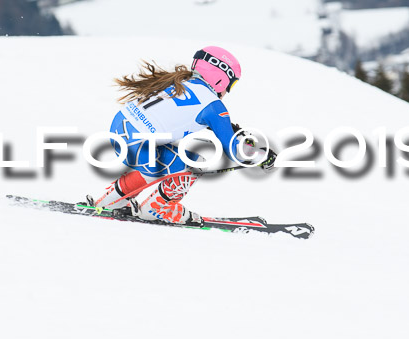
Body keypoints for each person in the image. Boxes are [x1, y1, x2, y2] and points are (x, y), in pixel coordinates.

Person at [87, 46, 276, 226]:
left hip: (119, 129)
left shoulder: (180, 82)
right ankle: (157, 208)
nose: (227, 92)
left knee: (166, 162)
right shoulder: (213, 106)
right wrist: (262, 157)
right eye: (231, 84)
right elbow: (233, 149)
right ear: (221, 78)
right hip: (139, 144)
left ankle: (112, 200)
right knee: (193, 162)